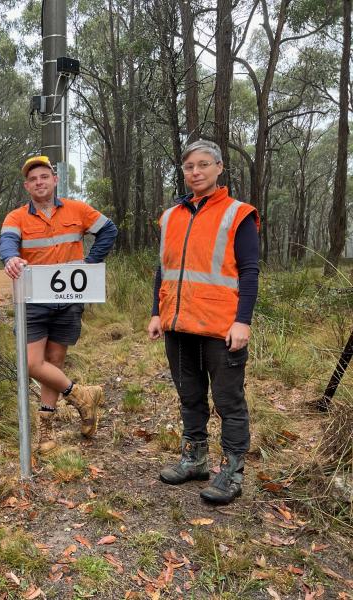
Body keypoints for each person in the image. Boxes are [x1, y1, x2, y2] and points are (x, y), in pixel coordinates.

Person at [147, 140, 259, 505]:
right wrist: (155, 313)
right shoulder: (170, 216)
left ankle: (231, 472)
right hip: (178, 326)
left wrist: (242, 322)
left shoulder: (237, 213)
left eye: (203, 165)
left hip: (221, 328)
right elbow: (163, 270)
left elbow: (250, 272)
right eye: (189, 167)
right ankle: (195, 459)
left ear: (219, 168)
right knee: (189, 397)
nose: (195, 172)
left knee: (228, 401)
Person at [0, 155, 118, 455]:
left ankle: (46, 430)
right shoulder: (16, 217)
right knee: (31, 364)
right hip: (34, 300)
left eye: (44, 176)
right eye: (33, 179)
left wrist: (90, 263)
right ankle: (80, 394)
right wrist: (11, 257)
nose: (39, 182)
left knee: (53, 362)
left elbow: (109, 230)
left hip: (68, 300)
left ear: (54, 180)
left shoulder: (77, 209)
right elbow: (7, 242)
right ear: (27, 186)